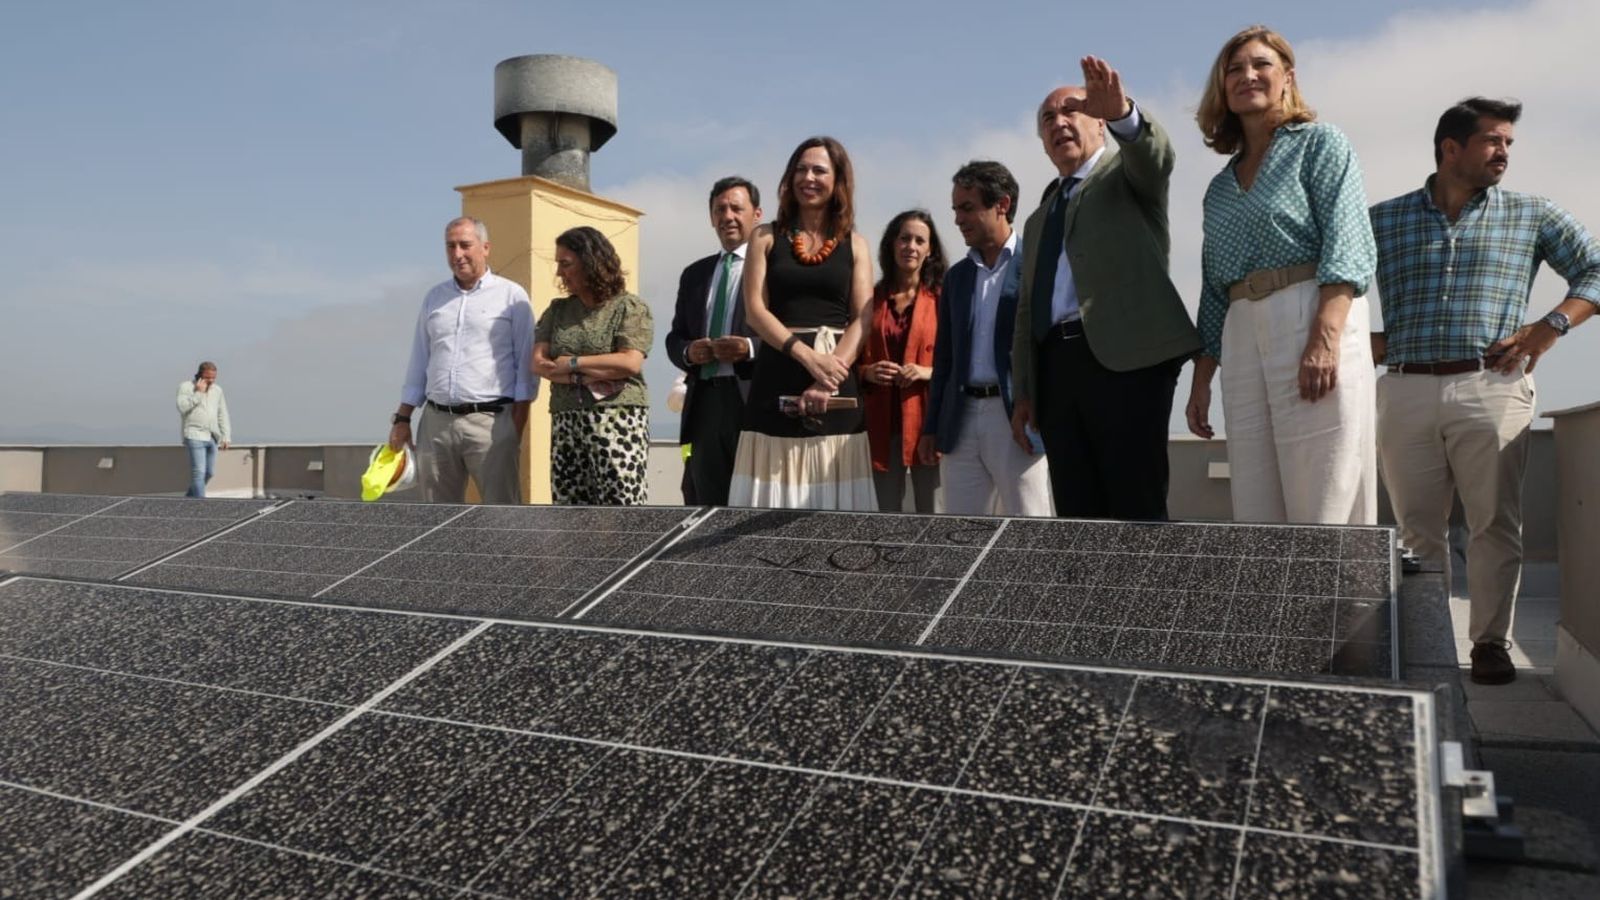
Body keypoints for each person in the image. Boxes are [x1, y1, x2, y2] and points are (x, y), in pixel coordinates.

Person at [1370, 97, 1600, 685]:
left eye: (1508, 144)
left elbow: (1596, 269)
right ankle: (1426, 646)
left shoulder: (1532, 213)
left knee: (1494, 523)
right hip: (1405, 390)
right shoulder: (1383, 218)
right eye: (1494, 141)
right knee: (1416, 530)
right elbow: (1334, 285)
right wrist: (1358, 344)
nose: (1504, 153)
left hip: (1491, 384)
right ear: (1452, 148)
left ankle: (1491, 644)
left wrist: (1549, 328)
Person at [1184, 26, 1378, 527]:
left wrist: (1324, 337)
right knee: (1254, 495)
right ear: (1221, 88)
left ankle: (1332, 607)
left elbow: (1348, 241)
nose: (1247, 75)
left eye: (1261, 65)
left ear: (1288, 78)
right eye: (1234, 69)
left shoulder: (1320, 144)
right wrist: (1202, 379)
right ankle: (1271, 606)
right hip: (1241, 330)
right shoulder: (1219, 187)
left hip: (1310, 310)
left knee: (1323, 489)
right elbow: (1212, 286)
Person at [1011, 57, 1202, 521]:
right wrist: (1025, 392)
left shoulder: (1127, 178)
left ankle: (1149, 596)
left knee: (1135, 503)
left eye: (1070, 111)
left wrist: (1125, 116)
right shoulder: (1038, 220)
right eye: (1047, 119)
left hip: (1127, 365)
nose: (1059, 122)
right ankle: (1086, 598)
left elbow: (1155, 157)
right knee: (1076, 511)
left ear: (1099, 124)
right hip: (1058, 373)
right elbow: (1025, 310)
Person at [729, 136, 877, 510]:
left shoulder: (856, 244)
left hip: (837, 381)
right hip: (777, 372)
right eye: (800, 169)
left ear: (838, 180)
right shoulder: (764, 236)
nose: (808, 177)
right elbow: (755, 311)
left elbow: (862, 318)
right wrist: (808, 358)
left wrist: (829, 376)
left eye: (819, 170)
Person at [919, 162, 1052, 517]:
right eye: (956, 209)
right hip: (960, 421)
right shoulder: (957, 278)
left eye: (967, 208)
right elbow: (944, 359)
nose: (958, 219)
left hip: (1015, 418)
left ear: (1002, 205)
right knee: (958, 537)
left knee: (1029, 532)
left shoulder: (1036, 264)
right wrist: (932, 425)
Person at [389, 217, 534, 504]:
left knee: (503, 517)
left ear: (485, 248)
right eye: (450, 246)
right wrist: (403, 418)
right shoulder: (435, 297)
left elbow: (526, 370)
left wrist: (513, 429)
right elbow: (420, 361)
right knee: (437, 520)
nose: (457, 254)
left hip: (490, 422)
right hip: (436, 424)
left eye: (465, 245)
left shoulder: (511, 296)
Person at [533, 226, 654, 505]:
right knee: (570, 512)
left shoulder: (629, 307)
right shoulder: (558, 311)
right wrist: (585, 376)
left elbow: (630, 362)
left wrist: (572, 363)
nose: (560, 273)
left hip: (618, 419)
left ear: (590, 262)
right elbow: (539, 364)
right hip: (567, 421)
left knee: (622, 509)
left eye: (566, 264)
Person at [665, 176, 762, 506]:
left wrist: (748, 348)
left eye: (737, 208)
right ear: (711, 217)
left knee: (752, 503)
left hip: (751, 402)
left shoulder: (772, 269)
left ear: (757, 215)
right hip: (704, 404)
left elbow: (791, 336)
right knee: (708, 504)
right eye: (720, 209)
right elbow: (674, 337)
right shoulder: (695, 274)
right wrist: (689, 352)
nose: (728, 216)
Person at [860, 210, 945, 513]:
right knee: (885, 513)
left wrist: (926, 371)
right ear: (892, 244)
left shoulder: (942, 299)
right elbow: (849, 359)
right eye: (904, 238)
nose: (911, 246)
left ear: (929, 249)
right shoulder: (869, 299)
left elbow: (961, 358)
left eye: (919, 240)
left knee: (933, 513)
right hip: (880, 421)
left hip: (928, 420)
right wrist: (868, 372)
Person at [176, 361, 230, 498]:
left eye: (213, 378)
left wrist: (226, 436)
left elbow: (222, 413)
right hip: (194, 435)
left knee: (209, 472)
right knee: (198, 472)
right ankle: (201, 507)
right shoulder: (186, 387)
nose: (211, 381)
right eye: (208, 378)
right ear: (200, 375)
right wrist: (198, 394)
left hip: (212, 436)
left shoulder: (217, 390)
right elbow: (182, 408)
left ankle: (188, 500)